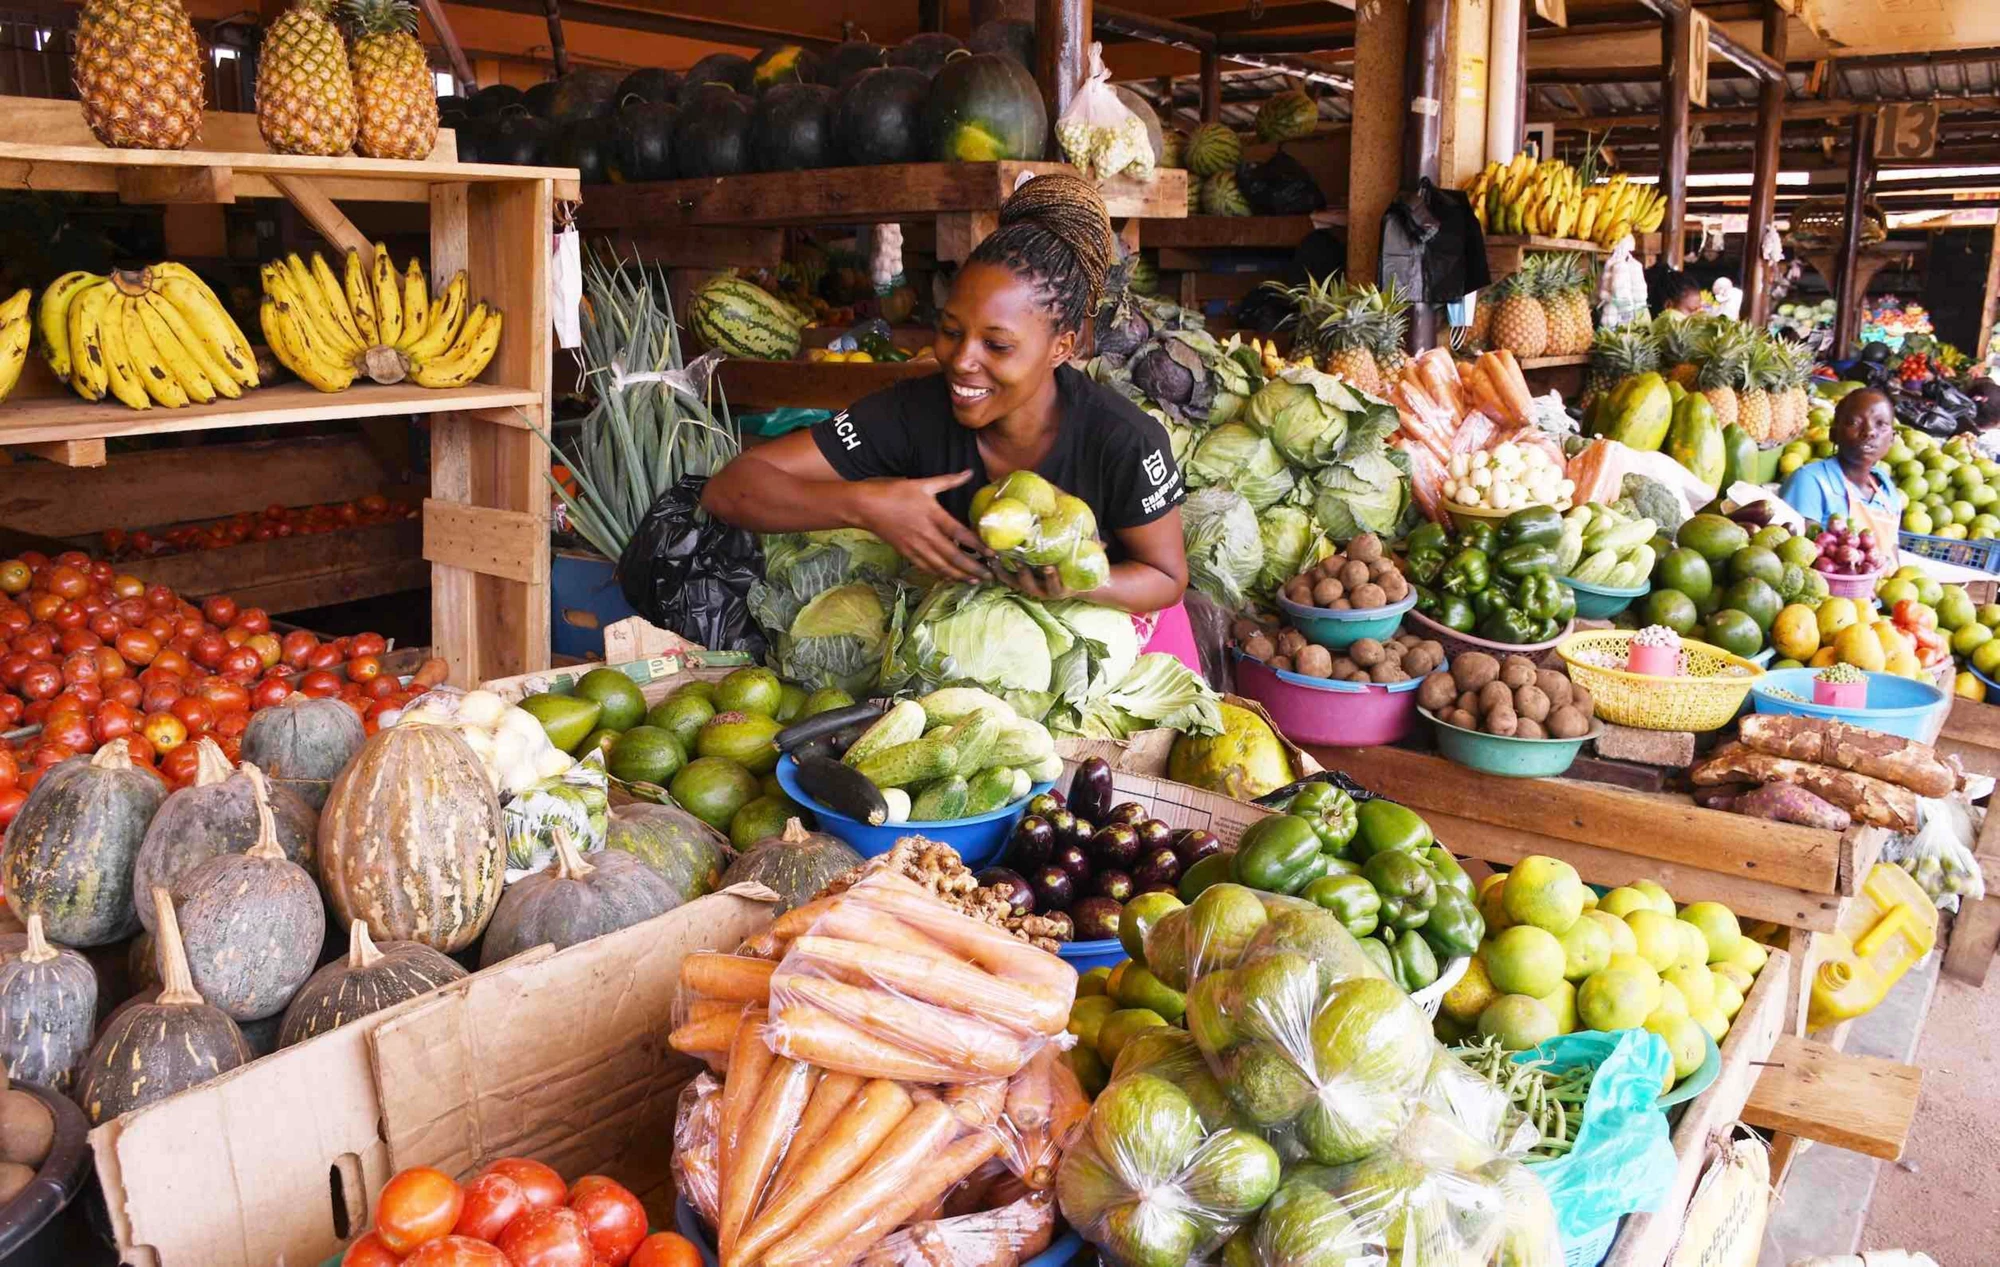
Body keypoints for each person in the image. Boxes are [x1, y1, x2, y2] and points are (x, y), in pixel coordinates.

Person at [701, 173, 1196, 662]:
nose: (961, 360)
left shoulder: (1123, 438)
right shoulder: (914, 412)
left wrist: (1079, 579)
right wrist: (864, 504)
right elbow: (731, 489)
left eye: (997, 345)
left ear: (1062, 348)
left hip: (1115, 653)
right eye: (951, 331)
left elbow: (1167, 578)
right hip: (975, 658)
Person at [1779, 387, 1902, 548]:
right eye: (1854, 423)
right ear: (1833, 434)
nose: (1869, 432)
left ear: (1892, 438)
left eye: (1881, 424)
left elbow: (1892, 550)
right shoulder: (1810, 481)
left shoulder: (1886, 487)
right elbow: (1798, 551)